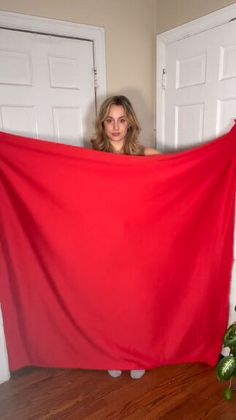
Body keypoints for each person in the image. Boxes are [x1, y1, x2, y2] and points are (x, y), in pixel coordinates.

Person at [91, 95, 159, 380]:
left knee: (138, 301)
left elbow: (184, 171)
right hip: (105, 240)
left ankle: (138, 354)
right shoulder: (91, 157)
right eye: (109, 120)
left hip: (138, 241)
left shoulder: (146, 155)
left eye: (121, 119)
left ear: (130, 121)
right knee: (110, 300)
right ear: (102, 124)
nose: (115, 127)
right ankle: (113, 353)